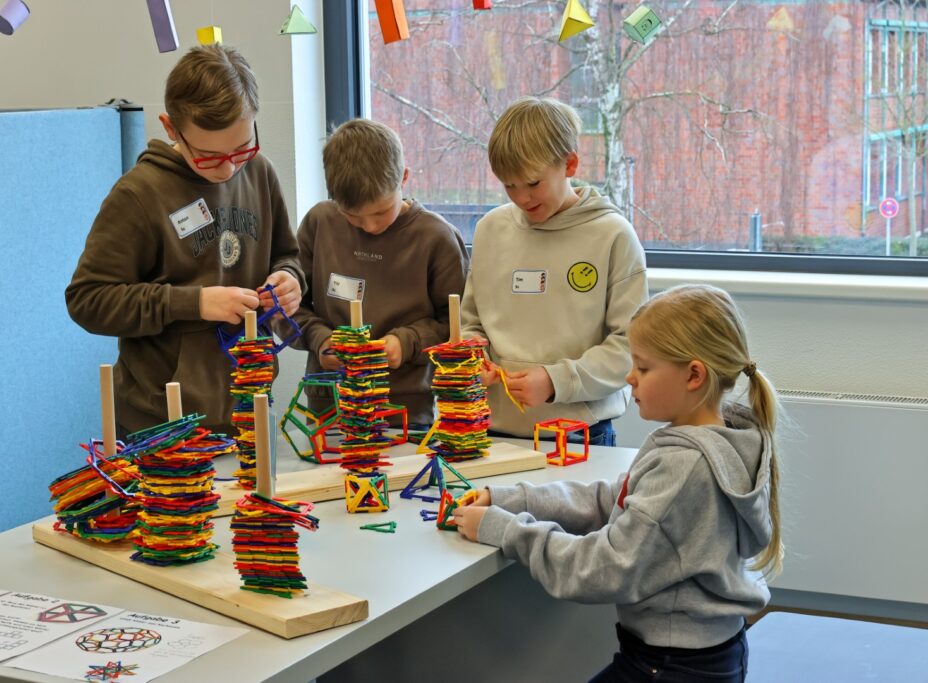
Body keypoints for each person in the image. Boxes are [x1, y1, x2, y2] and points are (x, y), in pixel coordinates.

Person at [454, 284, 783, 682]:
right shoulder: (719, 439)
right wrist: (509, 499)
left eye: (643, 368)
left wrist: (505, 530)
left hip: (671, 666)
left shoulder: (684, 465)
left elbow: (604, 568)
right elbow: (613, 498)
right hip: (706, 655)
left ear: (694, 375)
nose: (629, 377)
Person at [66, 45, 303, 436]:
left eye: (242, 148)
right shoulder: (138, 195)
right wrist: (195, 303)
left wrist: (289, 280)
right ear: (171, 128)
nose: (228, 168)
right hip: (161, 422)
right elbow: (88, 300)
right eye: (209, 156)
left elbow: (287, 256)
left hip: (248, 404)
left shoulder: (259, 172)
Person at [460, 96, 647, 445]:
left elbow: (631, 346)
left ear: (570, 164)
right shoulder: (490, 230)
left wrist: (555, 381)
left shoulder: (612, 235)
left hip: (579, 434)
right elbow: (471, 323)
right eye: (509, 185)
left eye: (533, 183)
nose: (521, 198)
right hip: (491, 429)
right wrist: (473, 357)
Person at [283, 118, 469, 426]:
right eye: (352, 216)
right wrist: (320, 339)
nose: (370, 226)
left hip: (404, 410)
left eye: (381, 212)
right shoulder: (319, 223)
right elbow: (287, 309)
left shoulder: (436, 238)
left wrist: (406, 343)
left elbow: (457, 325)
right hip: (330, 406)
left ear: (404, 177)